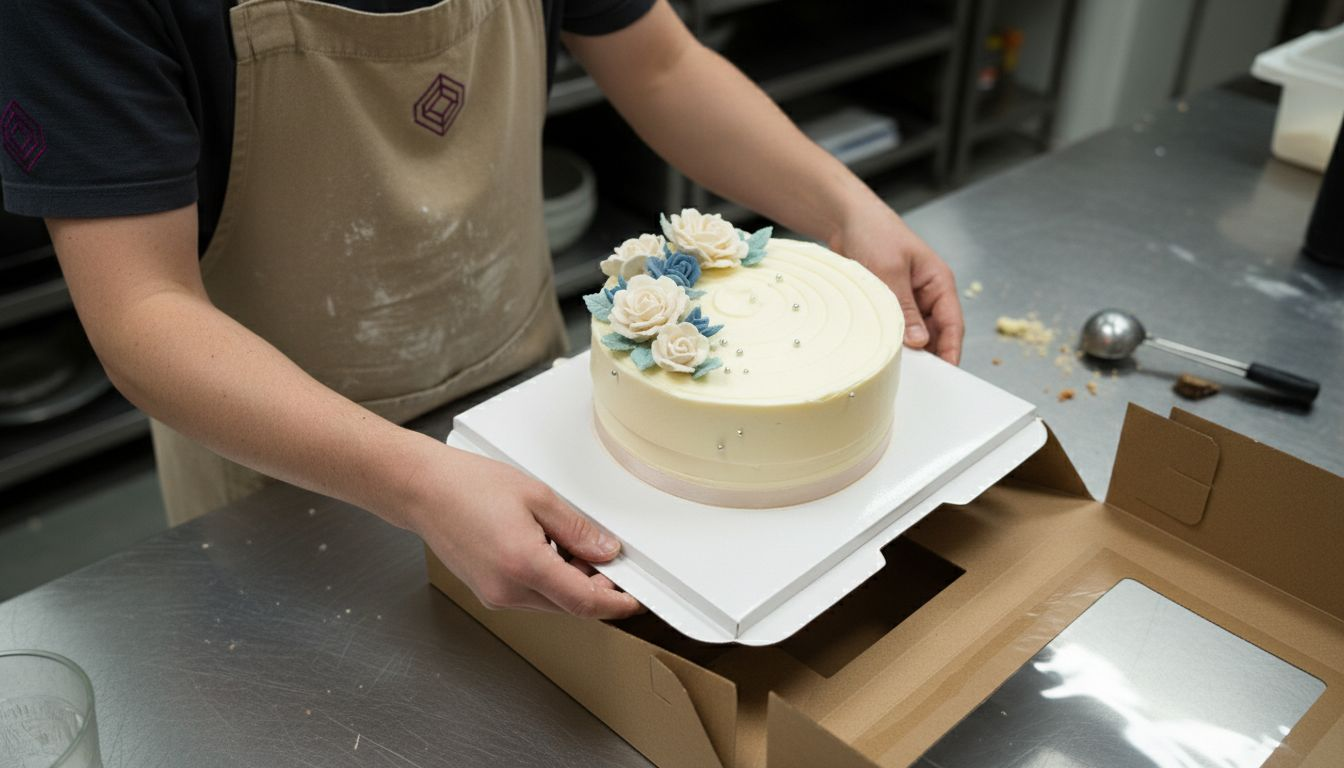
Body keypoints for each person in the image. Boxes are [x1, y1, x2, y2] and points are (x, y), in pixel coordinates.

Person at [0, 0, 963, 621]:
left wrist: (848, 209)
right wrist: (418, 483)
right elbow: (141, 306)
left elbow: (661, 66)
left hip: (530, 395)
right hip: (285, 475)